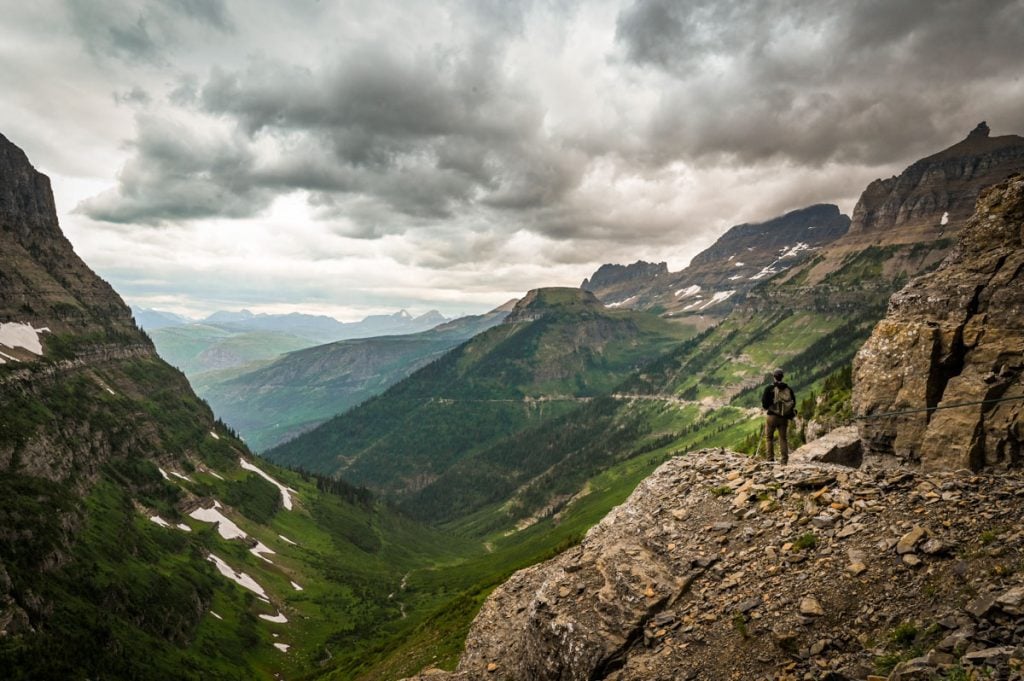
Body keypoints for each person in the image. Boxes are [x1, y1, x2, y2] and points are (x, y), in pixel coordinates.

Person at [761, 368, 796, 464]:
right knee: (783, 438)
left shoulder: (769, 389)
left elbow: (764, 404)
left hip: (771, 416)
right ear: (782, 377)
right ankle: (784, 460)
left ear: (774, 377)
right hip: (783, 417)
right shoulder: (788, 389)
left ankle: (770, 459)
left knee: (769, 438)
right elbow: (793, 403)